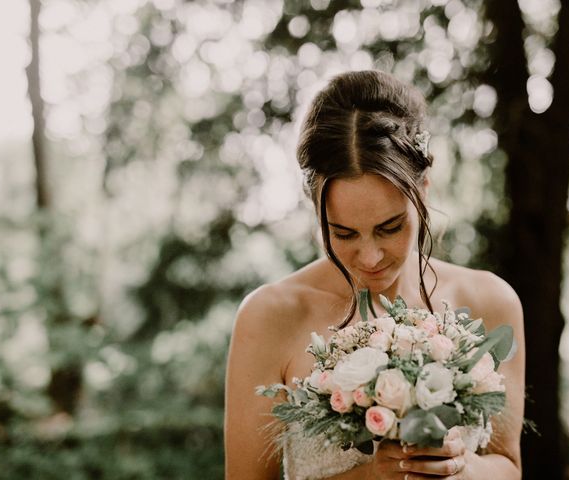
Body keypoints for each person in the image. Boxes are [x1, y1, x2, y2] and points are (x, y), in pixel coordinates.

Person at [225, 69, 525, 479]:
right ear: (315, 210)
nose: (370, 256)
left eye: (390, 227)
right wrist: (371, 476)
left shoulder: (492, 301)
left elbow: (508, 466)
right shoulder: (270, 316)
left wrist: (461, 467)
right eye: (344, 232)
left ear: (423, 188)